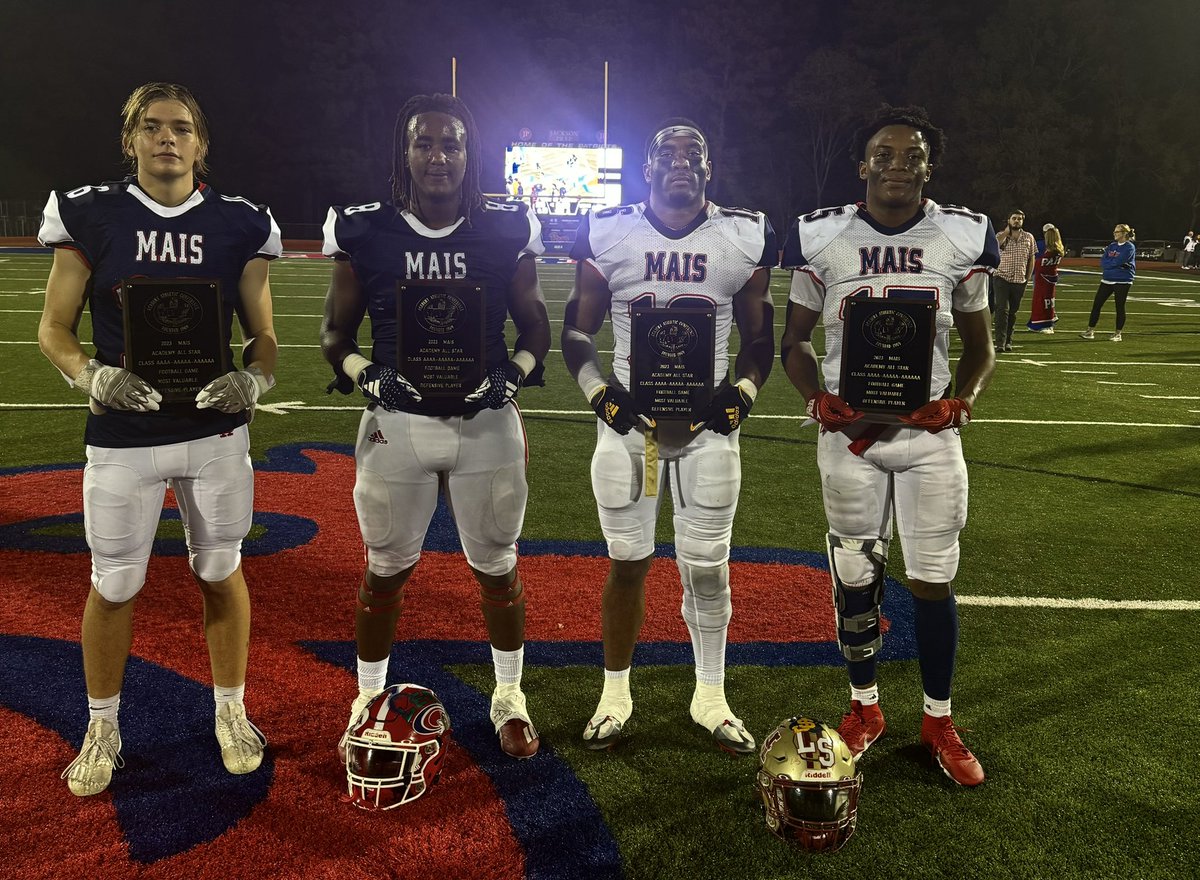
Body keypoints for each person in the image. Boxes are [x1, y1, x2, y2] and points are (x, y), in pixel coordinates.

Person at [37, 82, 280, 796]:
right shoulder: (92, 212)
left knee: (219, 569)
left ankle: (231, 710)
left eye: (180, 128)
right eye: (151, 127)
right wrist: (91, 376)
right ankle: (103, 723)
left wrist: (254, 382)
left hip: (213, 431)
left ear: (201, 143)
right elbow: (53, 327)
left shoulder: (239, 222)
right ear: (131, 140)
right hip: (124, 433)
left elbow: (264, 338)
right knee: (114, 581)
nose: (166, 138)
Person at [320, 94, 550, 760]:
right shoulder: (364, 228)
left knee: (497, 565)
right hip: (398, 422)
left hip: (485, 421)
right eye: (424, 143)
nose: (438, 156)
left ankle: (510, 695)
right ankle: (367, 698)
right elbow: (336, 333)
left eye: (451, 143)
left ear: (467, 152)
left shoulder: (506, 224)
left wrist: (514, 372)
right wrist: (370, 375)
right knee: (385, 567)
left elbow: (534, 324)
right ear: (406, 151)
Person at [779, 104, 998, 787]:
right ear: (863, 165)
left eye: (913, 155)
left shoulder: (960, 235)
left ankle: (937, 718)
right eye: (885, 153)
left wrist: (963, 399)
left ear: (929, 168)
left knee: (933, 579)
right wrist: (816, 397)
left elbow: (980, 348)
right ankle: (865, 708)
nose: (898, 164)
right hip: (850, 440)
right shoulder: (824, 236)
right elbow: (794, 344)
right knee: (854, 577)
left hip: (930, 439)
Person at [561, 118, 776, 755]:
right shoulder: (611, 230)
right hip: (635, 432)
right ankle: (615, 693)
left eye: (694, 154)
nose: (681, 163)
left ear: (710, 169)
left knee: (707, 566)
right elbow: (577, 334)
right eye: (666, 154)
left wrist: (744, 394)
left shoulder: (742, 234)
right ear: (646, 169)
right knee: (628, 562)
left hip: (708, 429)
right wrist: (601, 396)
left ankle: (710, 695)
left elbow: (760, 338)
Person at [1081, 224, 1136, 341]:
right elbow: (1104, 261)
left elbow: (1119, 261)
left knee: (1119, 306)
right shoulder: (1112, 246)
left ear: (1124, 234)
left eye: (1117, 232)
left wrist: (1111, 264)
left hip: (1123, 281)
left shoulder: (1129, 247)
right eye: (1114, 232)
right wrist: (1112, 265)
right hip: (1107, 279)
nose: (1115, 234)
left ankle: (1118, 334)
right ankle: (1090, 331)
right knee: (1097, 304)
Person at [992, 209, 1037, 352]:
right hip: (1002, 277)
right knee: (1001, 310)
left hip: (1019, 279)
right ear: (1009, 220)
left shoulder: (1029, 237)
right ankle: (1000, 342)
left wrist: (1028, 277)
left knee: (1013, 312)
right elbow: (994, 246)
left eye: (1019, 218)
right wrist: (1006, 233)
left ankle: (1008, 341)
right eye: (1014, 218)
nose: (1017, 221)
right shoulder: (1001, 235)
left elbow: (1032, 258)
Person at [1027, 223, 1063, 333]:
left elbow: (1035, 260)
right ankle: (1047, 318)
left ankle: (1045, 322)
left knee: (1041, 300)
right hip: (1051, 277)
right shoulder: (1059, 248)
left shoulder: (1043, 246)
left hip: (1042, 277)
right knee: (1047, 300)